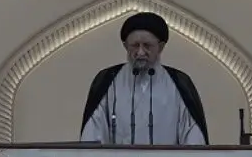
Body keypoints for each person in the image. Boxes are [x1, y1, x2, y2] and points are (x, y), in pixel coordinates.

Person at [80, 12, 209, 145]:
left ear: (160, 47)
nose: (140, 52)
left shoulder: (178, 83)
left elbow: (193, 138)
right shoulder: (108, 81)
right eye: (135, 45)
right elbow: (93, 134)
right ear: (126, 46)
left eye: (147, 45)